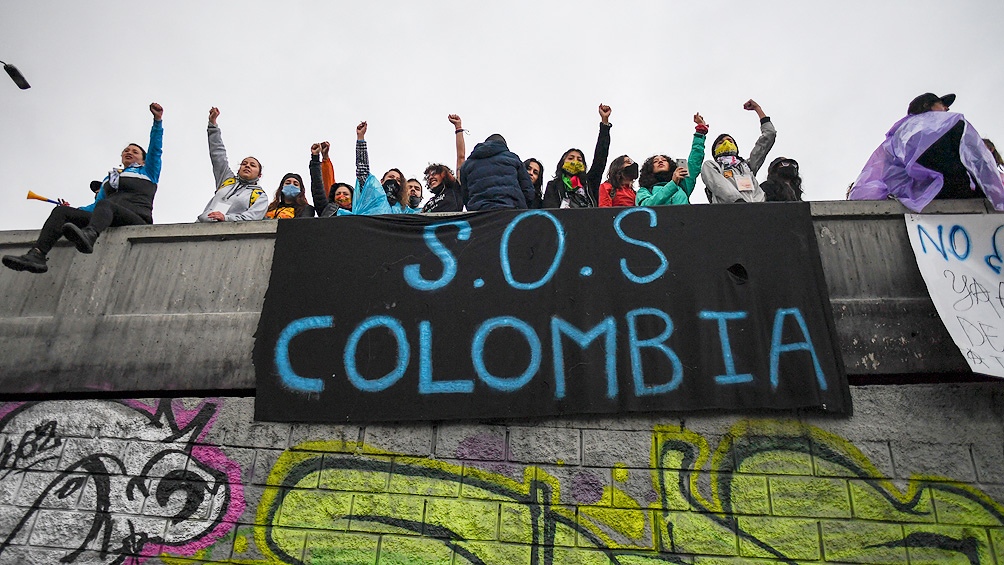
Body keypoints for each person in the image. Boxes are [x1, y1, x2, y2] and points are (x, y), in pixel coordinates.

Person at [3, 103, 164, 274]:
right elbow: (96, 206)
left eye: (135, 151)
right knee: (61, 213)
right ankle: (36, 256)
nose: (129, 152)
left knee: (106, 206)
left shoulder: (149, 171)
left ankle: (90, 235)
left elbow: (156, 149)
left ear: (143, 160)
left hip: (136, 218)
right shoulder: (109, 180)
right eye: (126, 150)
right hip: (107, 214)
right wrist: (75, 210)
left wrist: (157, 121)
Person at [848, 93, 1004, 211]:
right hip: (959, 188)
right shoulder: (952, 122)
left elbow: (884, 173)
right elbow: (978, 160)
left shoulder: (897, 137)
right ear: (927, 106)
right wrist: (998, 196)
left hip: (921, 196)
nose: (947, 108)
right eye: (941, 104)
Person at [197, 107, 268, 222]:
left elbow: (252, 218)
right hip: (202, 227)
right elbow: (218, 155)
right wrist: (213, 125)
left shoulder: (260, 196)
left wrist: (226, 218)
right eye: (244, 163)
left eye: (252, 165)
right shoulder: (226, 179)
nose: (247, 166)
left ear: (259, 175)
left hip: (229, 236)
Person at [701, 100, 777, 204]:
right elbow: (717, 183)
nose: (726, 143)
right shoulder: (711, 166)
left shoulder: (747, 166)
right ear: (714, 150)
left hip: (757, 210)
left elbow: (769, 136)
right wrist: (738, 201)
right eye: (721, 142)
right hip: (731, 212)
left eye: (730, 141)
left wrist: (758, 109)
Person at [542, 104, 612, 208]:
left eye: (579, 159)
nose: (575, 161)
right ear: (562, 163)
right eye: (570, 158)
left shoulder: (589, 183)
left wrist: (604, 123)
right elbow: (550, 209)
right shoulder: (553, 185)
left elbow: (600, 158)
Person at [636, 113, 709, 206]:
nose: (660, 161)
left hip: (684, 220)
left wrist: (700, 131)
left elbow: (695, 160)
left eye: (664, 160)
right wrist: (673, 183)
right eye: (655, 161)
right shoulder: (644, 190)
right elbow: (646, 206)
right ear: (649, 169)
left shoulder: (683, 184)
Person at [460, 133, 536, 210]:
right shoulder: (512, 158)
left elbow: (465, 196)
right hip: (511, 210)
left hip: (479, 213)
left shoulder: (467, 164)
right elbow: (528, 191)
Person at [422, 114, 467, 213]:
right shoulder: (427, 204)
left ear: (444, 174)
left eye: (434, 173)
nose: (430, 177)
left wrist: (458, 128)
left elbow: (461, 157)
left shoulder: (455, 189)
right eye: (428, 176)